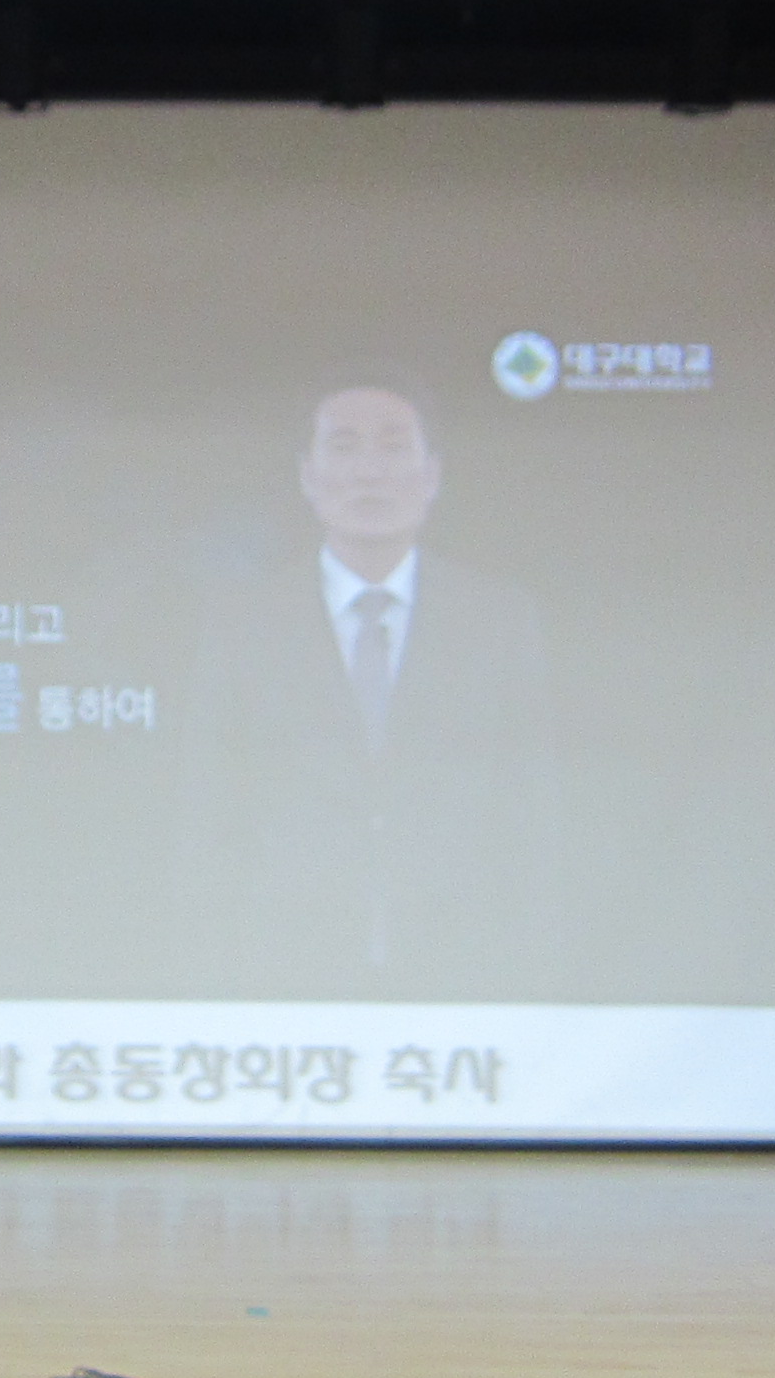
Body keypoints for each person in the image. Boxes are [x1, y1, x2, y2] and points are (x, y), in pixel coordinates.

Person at [180, 379, 564, 992]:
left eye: (392, 447)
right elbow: (210, 813)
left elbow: (529, 814)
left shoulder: (498, 619)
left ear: (431, 475)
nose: (369, 471)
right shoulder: (243, 623)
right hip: (281, 973)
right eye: (344, 447)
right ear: (308, 477)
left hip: (464, 976)